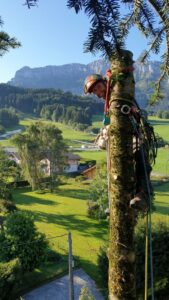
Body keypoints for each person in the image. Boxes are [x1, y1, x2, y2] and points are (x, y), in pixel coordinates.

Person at [84, 73, 151, 212]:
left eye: (98, 88)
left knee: (139, 155)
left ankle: (143, 195)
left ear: (105, 82)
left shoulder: (118, 94)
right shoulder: (109, 102)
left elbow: (134, 110)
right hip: (120, 139)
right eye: (94, 91)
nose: (97, 93)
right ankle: (118, 201)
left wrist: (133, 112)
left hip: (134, 135)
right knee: (116, 167)